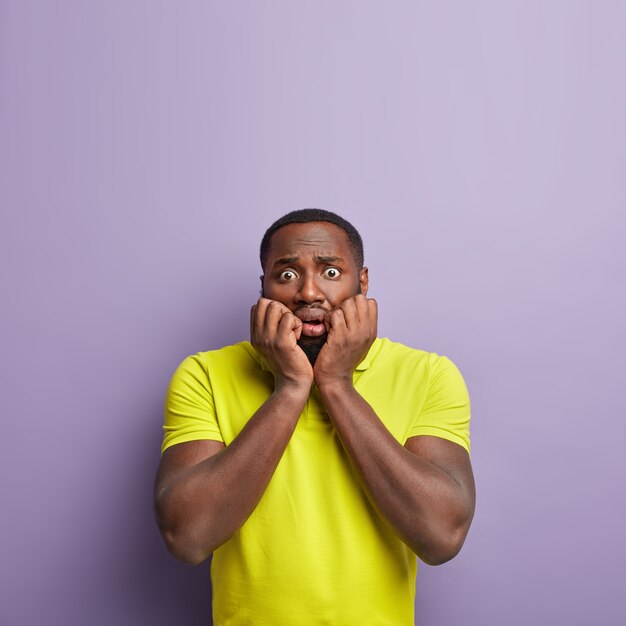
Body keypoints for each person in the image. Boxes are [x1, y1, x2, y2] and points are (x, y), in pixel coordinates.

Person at [154, 209, 475, 626]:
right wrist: (290, 387)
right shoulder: (204, 374)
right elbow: (187, 537)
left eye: (330, 272)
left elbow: (441, 537)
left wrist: (337, 383)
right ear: (264, 288)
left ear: (361, 284)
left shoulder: (429, 374)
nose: (308, 293)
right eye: (286, 275)